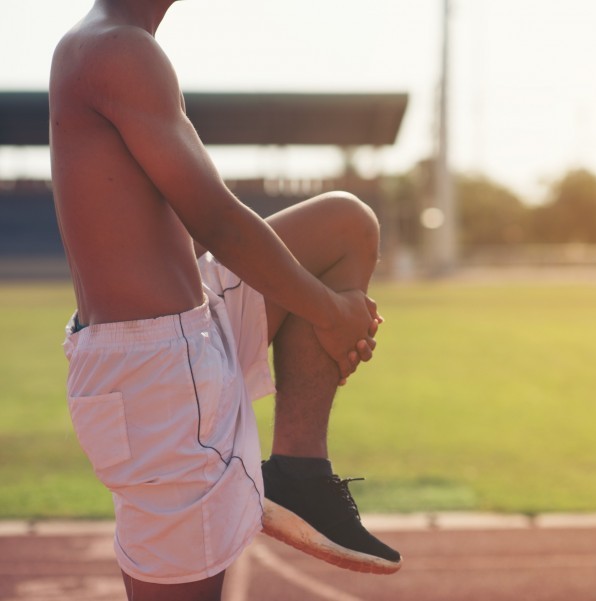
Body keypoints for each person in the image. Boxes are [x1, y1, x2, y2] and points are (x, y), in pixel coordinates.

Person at [49, 0, 402, 598]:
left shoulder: (120, 44)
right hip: (154, 372)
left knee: (344, 225)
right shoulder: (117, 49)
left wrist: (330, 308)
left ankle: (299, 472)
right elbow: (216, 219)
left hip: (196, 316)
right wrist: (330, 312)